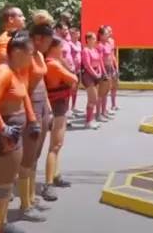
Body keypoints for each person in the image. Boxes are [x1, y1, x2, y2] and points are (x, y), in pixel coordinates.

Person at [0, 31, 39, 233]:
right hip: (6, 137)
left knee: (6, 187)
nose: (31, 58)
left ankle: (0, 225)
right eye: (30, 54)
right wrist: (3, 128)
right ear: (17, 52)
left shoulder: (16, 71)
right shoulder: (3, 72)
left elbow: (22, 98)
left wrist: (31, 120)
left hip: (14, 135)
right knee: (2, 189)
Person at [17, 23, 57, 222]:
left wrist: (48, 110)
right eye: (48, 41)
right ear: (38, 38)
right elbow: (22, 87)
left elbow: (42, 84)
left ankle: (32, 198)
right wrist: (31, 115)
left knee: (35, 157)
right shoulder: (25, 56)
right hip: (30, 106)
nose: (50, 45)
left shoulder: (39, 55)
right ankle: (24, 205)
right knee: (27, 158)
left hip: (42, 106)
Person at [42, 36, 79, 201]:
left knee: (58, 144)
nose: (63, 50)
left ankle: (55, 175)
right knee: (55, 145)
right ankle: (48, 183)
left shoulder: (56, 62)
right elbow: (74, 79)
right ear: (53, 48)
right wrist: (65, 64)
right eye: (61, 47)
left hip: (61, 105)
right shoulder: (53, 64)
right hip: (56, 106)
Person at [80, 32, 104, 130]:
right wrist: (95, 74)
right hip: (88, 75)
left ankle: (89, 120)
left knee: (93, 99)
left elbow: (99, 62)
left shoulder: (94, 49)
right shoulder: (85, 50)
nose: (95, 40)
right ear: (88, 39)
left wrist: (100, 72)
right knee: (93, 98)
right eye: (93, 38)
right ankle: (88, 121)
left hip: (96, 75)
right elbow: (87, 65)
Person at [96, 26, 115, 121]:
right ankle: (98, 114)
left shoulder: (108, 44)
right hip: (103, 69)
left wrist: (113, 69)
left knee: (106, 92)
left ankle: (104, 112)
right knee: (101, 93)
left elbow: (111, 58)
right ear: (101, 35)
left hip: (109, 68)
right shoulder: (99, 46)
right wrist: (103, 72)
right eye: (106, 33)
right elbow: (100, 60)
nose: (109, 35)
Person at [106, 25, 120, 112]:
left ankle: (113, 105)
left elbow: (112, 54)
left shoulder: (111, 41)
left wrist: (116, 66)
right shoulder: (100, 43)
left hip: (113, 65)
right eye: (109, 31)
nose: (111, 33)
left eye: (111, 31)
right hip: (106, 66)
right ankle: (104, 109)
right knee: (106, 87)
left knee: (114, 86)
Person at [69, 26, 82, 115]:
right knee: (70, 89)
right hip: (71, 69)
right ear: (72, 34)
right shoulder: (69, 44)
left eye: (79, 33)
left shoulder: (79, 44)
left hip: (78, 69)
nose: (78, 35)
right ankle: (68, 109)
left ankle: (73, 107)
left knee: (76, 89)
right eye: (76, 34)